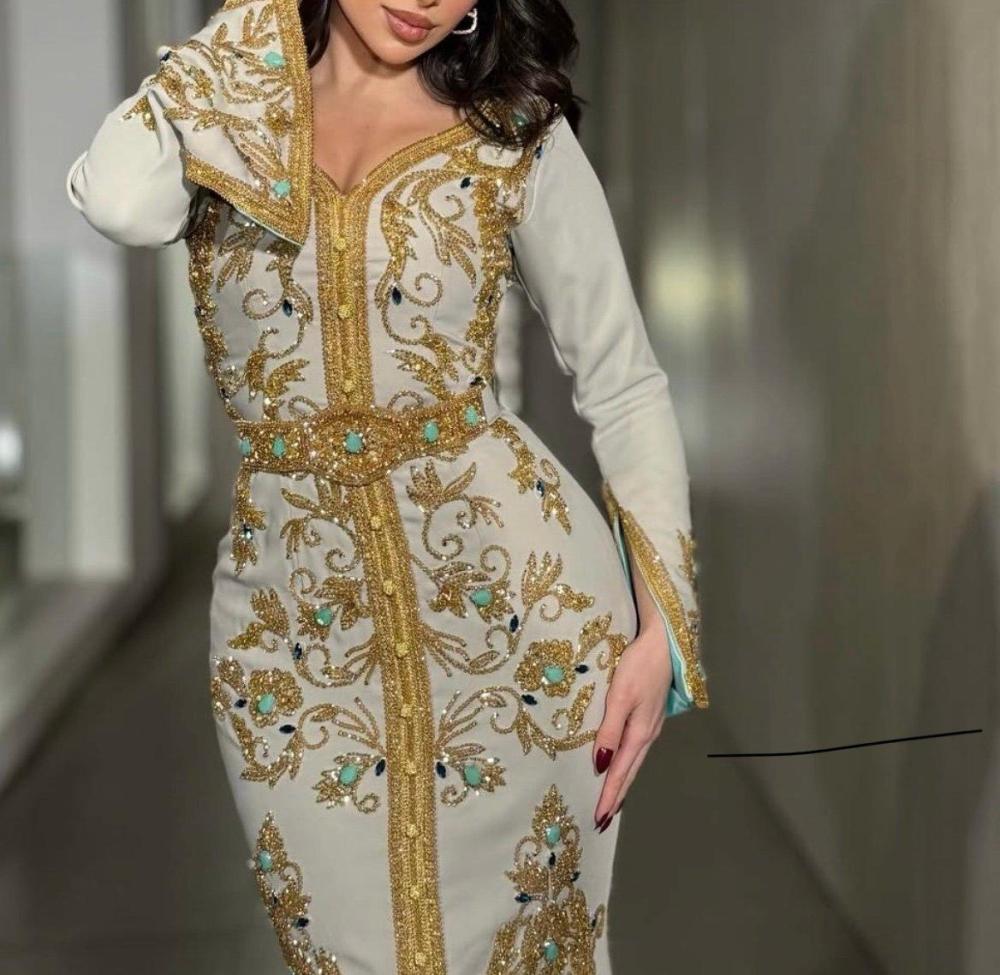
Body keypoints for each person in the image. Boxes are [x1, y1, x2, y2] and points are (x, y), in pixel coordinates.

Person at [65, 1, 709, 971]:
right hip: (290, 640)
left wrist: (663, 632)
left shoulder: (511, 133)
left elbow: (624, 384)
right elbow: (117, 199)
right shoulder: (228, 112)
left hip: (524, 632)